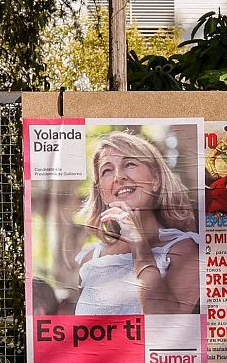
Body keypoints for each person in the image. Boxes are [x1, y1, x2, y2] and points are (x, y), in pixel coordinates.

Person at [72, 130, 200, 315]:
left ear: (155, 179)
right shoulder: (90, 258)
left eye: (129, 164)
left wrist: (140, 246)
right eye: (107, 170)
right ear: (101, 191)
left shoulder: (185, 249)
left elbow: (164, 325)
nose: (118, 177)